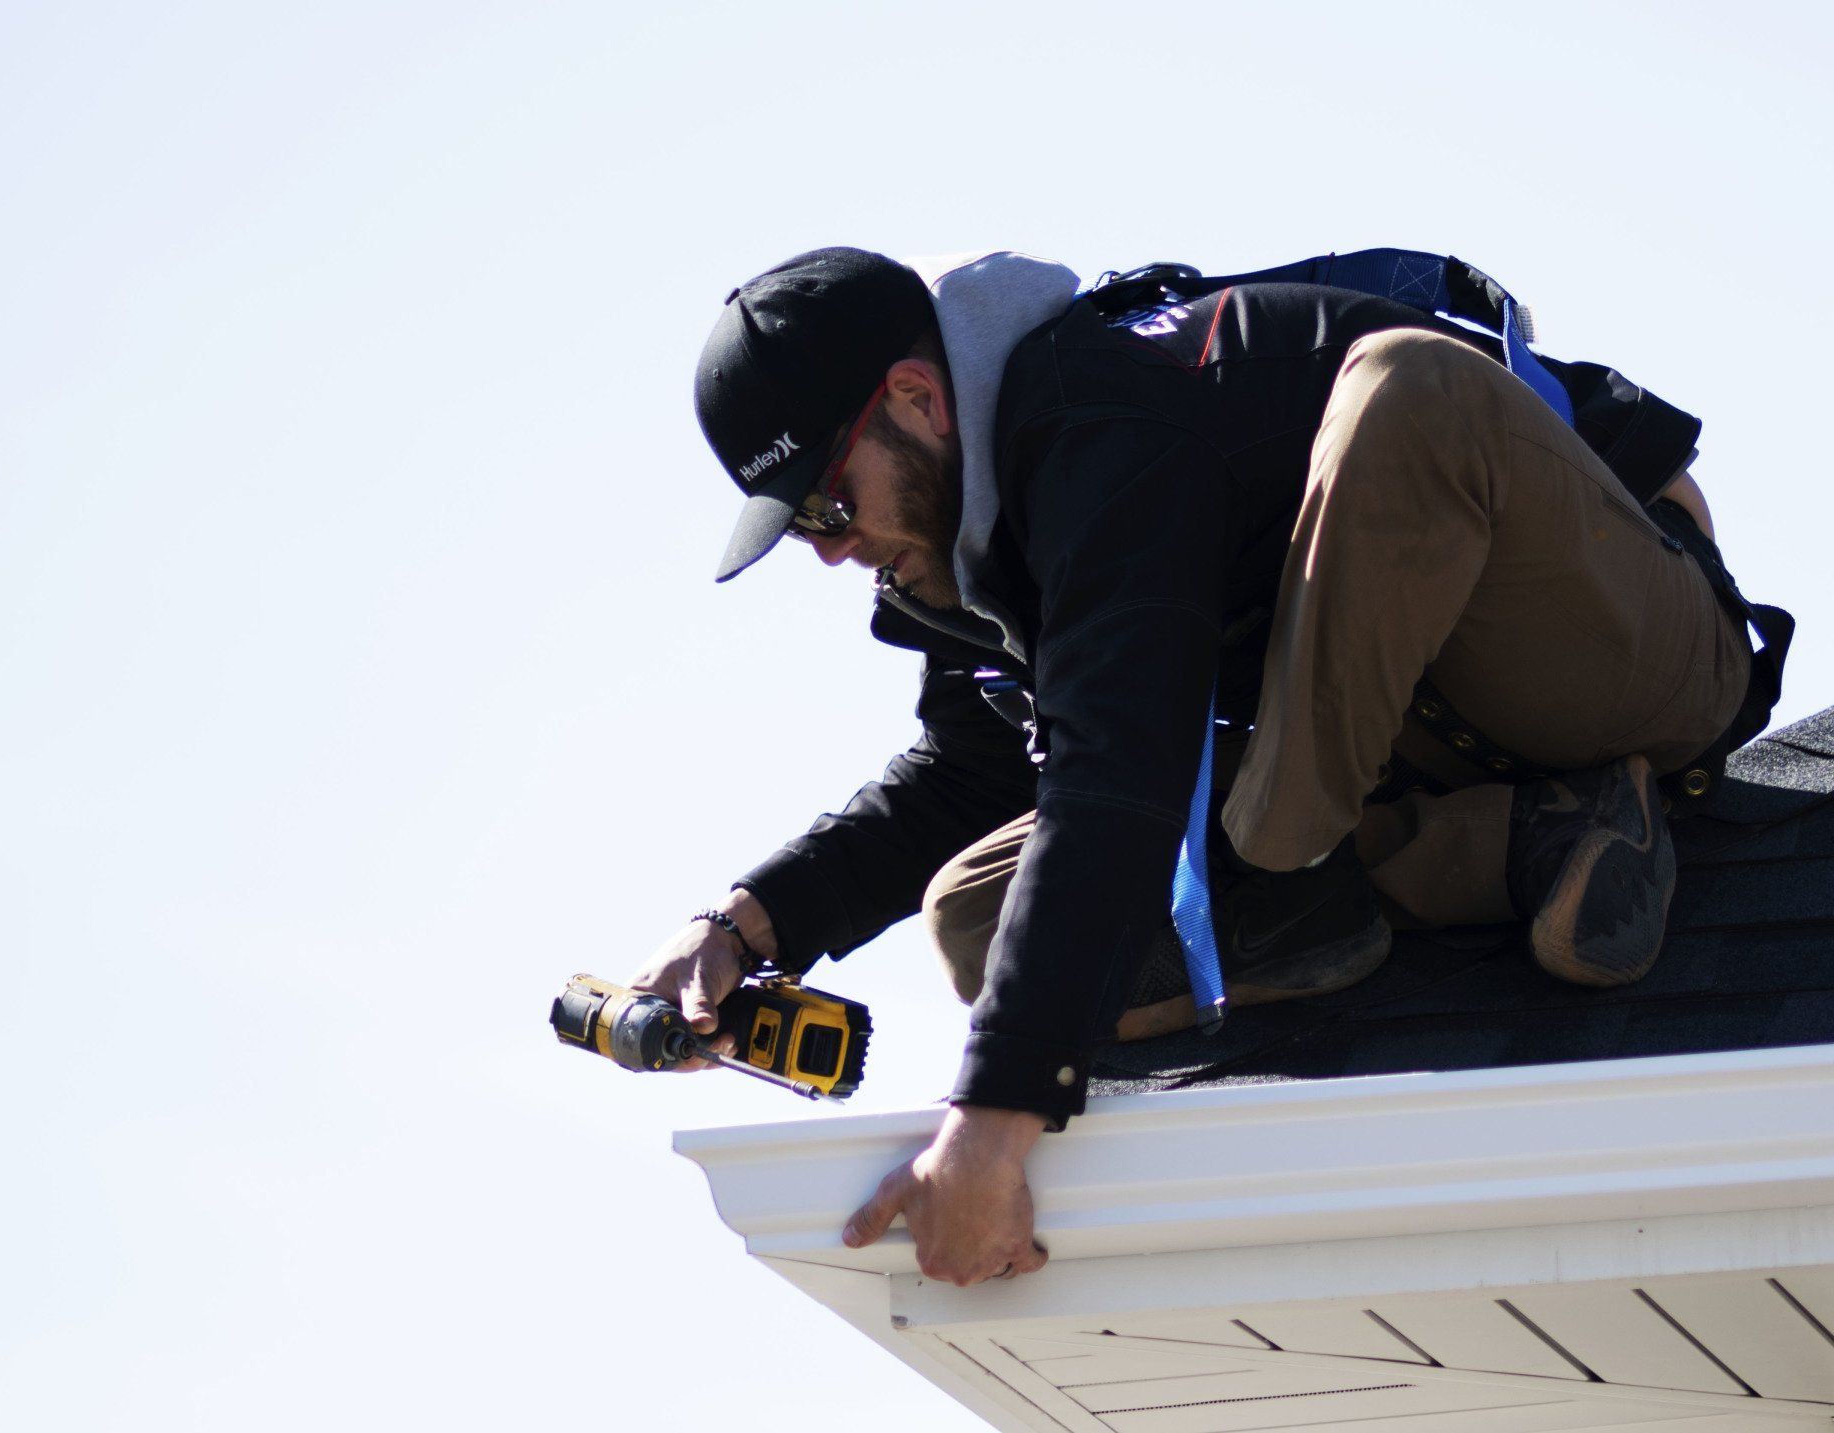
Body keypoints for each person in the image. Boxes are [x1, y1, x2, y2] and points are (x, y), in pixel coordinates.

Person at [627, 246, 1757, 1288]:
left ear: (919, 400)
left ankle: (1302, 866)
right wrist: (745, 925)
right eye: (801, 528)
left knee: (1404, 389)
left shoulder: (1096, 421)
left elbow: (1115, 768)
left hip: (1627, 646)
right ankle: (1520, 838)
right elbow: (972, 773)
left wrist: (989, 1127)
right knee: (976, 913)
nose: (831, 548)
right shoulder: (973, 552)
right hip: (1424, 734)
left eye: (828, 502)